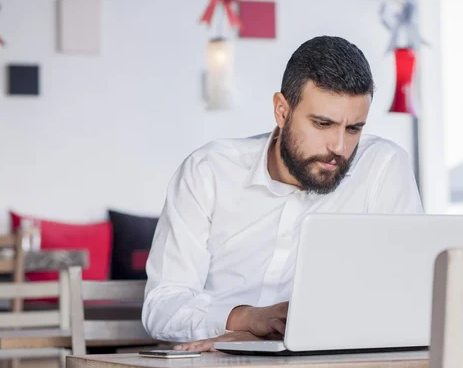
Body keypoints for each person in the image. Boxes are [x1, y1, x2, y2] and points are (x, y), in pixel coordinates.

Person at [142, 35, 423, 352]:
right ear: (281, 110)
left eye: (354, 128)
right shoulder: (208, 172)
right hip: (220, 358)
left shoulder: (382, 167)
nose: (339, 148)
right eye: (322, 124)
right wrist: (245, 320)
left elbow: (407, 294)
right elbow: (162, 306)